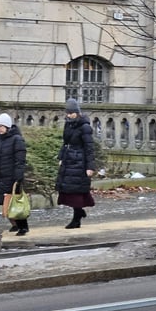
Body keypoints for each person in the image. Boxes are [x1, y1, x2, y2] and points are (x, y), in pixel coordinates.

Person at [56, 98, 96, 229]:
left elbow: (89, 147)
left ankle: (77, 218)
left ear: (77, 112)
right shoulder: (68, 124)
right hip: (69, 159)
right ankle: (79, 213)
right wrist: (61, 157)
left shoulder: (85, 127)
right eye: (67, 113)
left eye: (71, 113)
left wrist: (90, 166)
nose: (68, 115)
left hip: (80, 161)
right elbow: (65, 143)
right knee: (69, 189)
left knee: (76, 191)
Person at [0, 113, 28, 235]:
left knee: (13, 203)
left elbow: (20, 160)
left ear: (7, 126)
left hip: (9, 177)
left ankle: (23, 226)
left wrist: (18, 178)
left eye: (0, 126)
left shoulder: (17, 139)